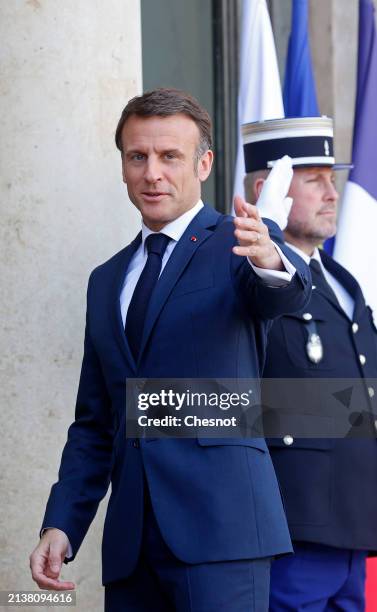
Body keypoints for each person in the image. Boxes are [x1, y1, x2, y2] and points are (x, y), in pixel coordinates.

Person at [29, 89, 311, 611]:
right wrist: (63, 522)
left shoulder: (240, 244)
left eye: (169, 156)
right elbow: (96, 421)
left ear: (204, 164)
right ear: (122, 167)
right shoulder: (105, 280)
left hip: (223, 535)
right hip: (132, 547)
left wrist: (271, 258)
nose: (152, 173)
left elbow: (284, 291)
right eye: (138, 157)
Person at [243, 116, 377, 611]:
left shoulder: (343, 281)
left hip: (353, 528)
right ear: (269, 189)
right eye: (314, 179)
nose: (332, 192)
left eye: (332, 177)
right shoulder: (250, 280)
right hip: (294, 531)